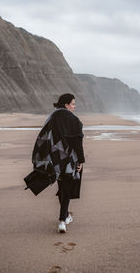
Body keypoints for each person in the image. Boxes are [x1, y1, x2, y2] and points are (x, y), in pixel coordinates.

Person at [31, 93, 85, 233]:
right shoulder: (74, 120)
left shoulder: (52, 117)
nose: (74, 106)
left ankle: (65, 216)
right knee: (66, 188)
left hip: (54, 159)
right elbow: (77, 142)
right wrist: (81, 160)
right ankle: (62, 220)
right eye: (73, 104)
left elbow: (44, 137)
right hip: (69, 160)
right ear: (66, 105)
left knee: (62, 187)